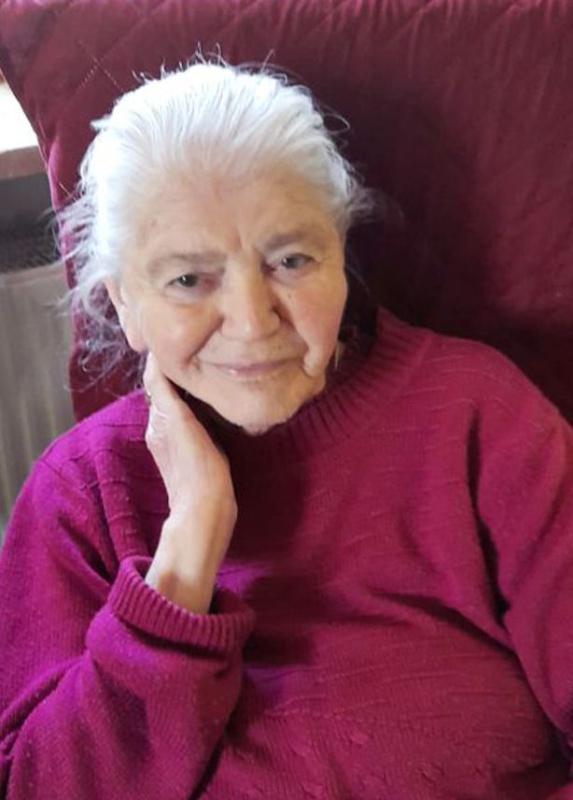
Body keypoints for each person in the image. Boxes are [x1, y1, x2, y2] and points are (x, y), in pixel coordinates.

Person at [1, 60, 573, 800]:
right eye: (187, 279)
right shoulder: (80, 490)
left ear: (341, 253)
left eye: (290, 260)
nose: (251, 320)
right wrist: (187, 550)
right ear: (125, 305)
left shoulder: (478, 415)